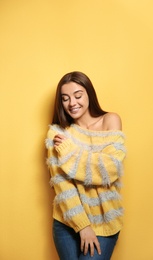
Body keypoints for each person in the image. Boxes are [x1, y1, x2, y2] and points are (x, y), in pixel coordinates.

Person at [45, 71, 126, 260]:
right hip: (66, 221)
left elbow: (109, 170)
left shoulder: (111, 120)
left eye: (78, 95)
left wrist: (69, 152)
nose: (72, 103)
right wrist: (83, 226)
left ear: (89, 93)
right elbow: (62, 185)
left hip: (105, 219)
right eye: (65, 99)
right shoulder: (57, 133)